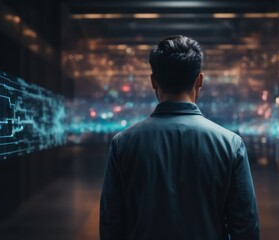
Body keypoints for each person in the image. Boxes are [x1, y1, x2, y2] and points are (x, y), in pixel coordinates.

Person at [100, 35, 260, 240]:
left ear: (153, 81)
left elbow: (111, 226)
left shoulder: (123, 144)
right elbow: (246, 228)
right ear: (200, 80)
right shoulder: (230, 144)